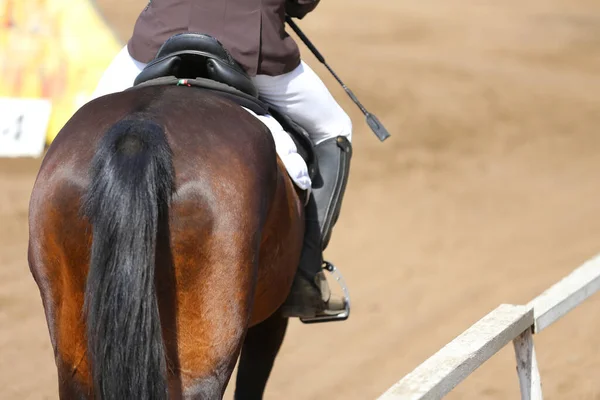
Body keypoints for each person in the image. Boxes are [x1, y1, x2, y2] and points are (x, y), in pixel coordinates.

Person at [92, 0, 353, 320]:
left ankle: (76, 257)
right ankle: (304, 273)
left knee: (84, 126)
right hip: (248, 45)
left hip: (160, 35)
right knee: (335, 129)